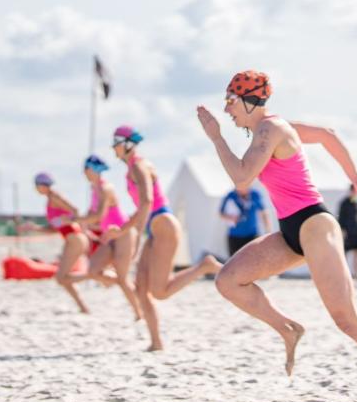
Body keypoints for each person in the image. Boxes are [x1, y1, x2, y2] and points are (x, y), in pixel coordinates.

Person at [199, 71, 357, 402]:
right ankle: (288, 329)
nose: (227, 111)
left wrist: (216, 137)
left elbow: (242, 179)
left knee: (347, 321)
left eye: (230, 102)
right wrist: (355, 176)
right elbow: (328, 135)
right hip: (291, 230)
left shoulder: (271, 129)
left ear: (247, 100)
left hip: (315, 225)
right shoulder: (275, 128)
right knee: (228, 281)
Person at [114, 125, 222, 352]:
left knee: (160, 291)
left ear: (127, 144)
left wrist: (138, 237)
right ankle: (156, 343)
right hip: (156, 225)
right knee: (141, 288)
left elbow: (147, 202)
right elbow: (140, 207)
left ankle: (203, 266)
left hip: (161, 224)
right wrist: (123, 230)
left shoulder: (139, 166)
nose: (113, 148)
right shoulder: (132, 168)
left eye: (116, 142)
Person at [74, 155, 145, 319]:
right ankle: (130, 287)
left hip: (123, 234)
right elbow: (92, 215)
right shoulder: (94, 189)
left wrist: (77, 220)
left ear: (91, 170)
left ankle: (139, 313)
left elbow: (99, 215)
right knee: (92, 270)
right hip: (109, 236)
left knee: (122, 277)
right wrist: (82, 222)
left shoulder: (106, 188)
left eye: (86, 169)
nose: (84, 173)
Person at [34, 172, 91, 314]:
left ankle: (97, 275)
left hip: (75, 238)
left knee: (61, 277)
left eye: (37, 185)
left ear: (44, 185)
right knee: (61, 278)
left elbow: (75, 211)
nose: (36, 188)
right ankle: (83, 307)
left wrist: (69, 219)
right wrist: (33, 228)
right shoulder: (50, 199)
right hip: (71, 239)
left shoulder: (54, 197)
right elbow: (54, 228)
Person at [218, 184, 270, 259]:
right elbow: (221, 213)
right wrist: (231, 218)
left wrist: (268, 230)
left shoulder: (255, 194)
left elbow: (263, 212)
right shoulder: (231, 195)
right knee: (234, 263)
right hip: (234, 236)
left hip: (252, 235)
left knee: (253, 261)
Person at [337, 190, 357, 279]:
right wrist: (342, 231)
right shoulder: (344, 203)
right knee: (344, 254)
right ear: (351, 191)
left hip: (355, 231)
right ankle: (343, 274)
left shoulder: (356, 202)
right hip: (347, 232)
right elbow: (340, 218)